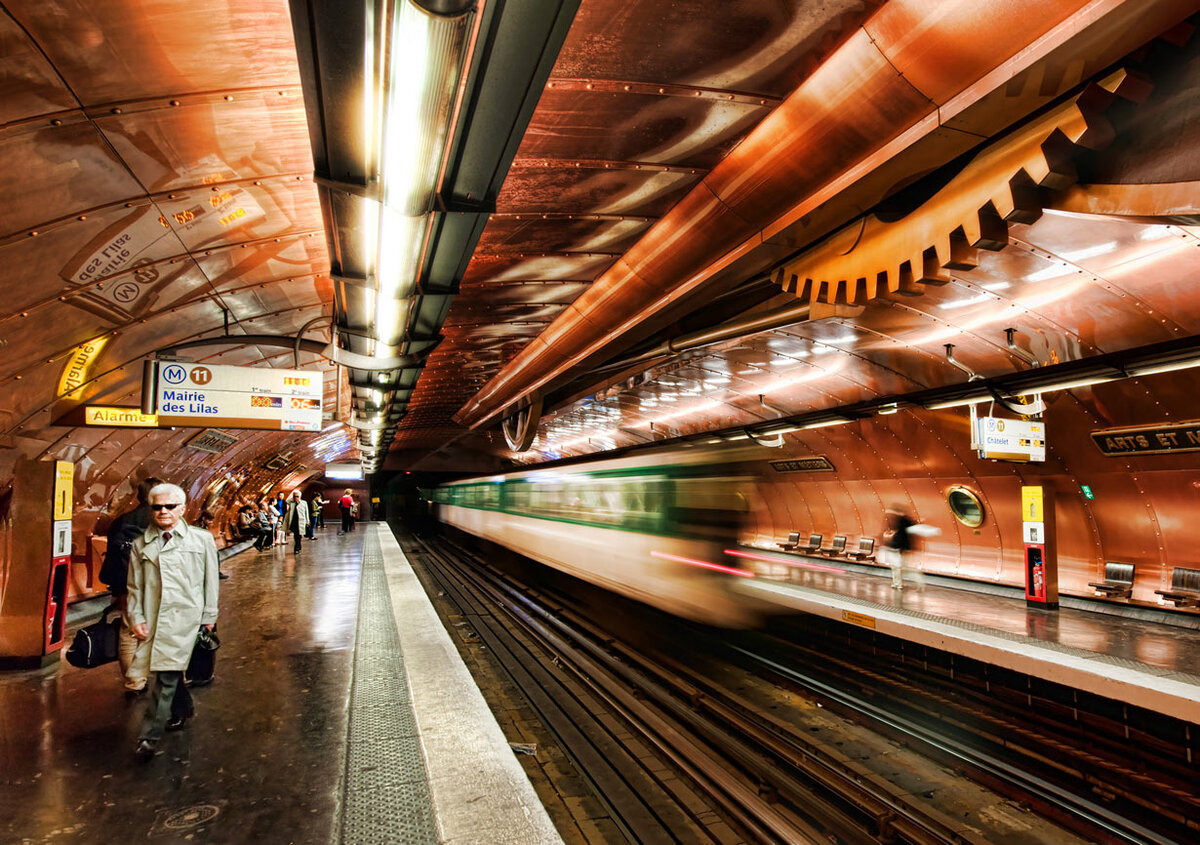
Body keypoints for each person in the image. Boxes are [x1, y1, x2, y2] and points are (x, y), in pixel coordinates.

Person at [127, 483, 219, 758]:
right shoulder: (140, 544)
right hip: (156, 618)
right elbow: (135, 586)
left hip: (188, 618)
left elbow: (210, 581)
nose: (163, 512)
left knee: (166, 675)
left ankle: (148, 736)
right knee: (168, 669)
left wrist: (209, 616)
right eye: (157, 507)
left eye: (169, 506)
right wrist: (136, 617)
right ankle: (183, 707)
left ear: (182, 508)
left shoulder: (201, 540)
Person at [99, 476, 161, 698]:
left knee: (128, 631)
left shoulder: (123, 520)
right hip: (155, 584)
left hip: (126, 583)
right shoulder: (163, 519)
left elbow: (113, 556)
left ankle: (134, 681)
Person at [882, 503, 927, 591]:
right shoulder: (903, 520)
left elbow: (902, 536)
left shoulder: (903, 521)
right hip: (901, 548)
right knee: (897, 566)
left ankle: (906, 583)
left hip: (902, 548)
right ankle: (897, 583)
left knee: (899, 567)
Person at [284, 489, 309, 554]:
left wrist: (307, 520)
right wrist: (292, 498)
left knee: (299, 535)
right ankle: (297, 548)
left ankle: (298, 546)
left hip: (301, 521)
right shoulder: (291, 503)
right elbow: (287, 501)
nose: (296, 498)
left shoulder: (304, 503)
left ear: (300, 496)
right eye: (294, 496)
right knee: (296, 535)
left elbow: (306, 512)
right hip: (294, 521)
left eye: (297, 496)